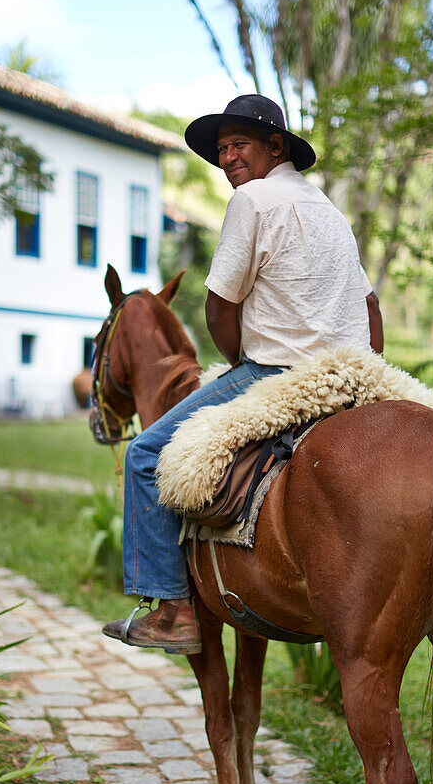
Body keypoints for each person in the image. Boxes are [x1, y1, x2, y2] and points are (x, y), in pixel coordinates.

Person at [103, 94, 383, 654]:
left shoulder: (252, 201)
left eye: (238, 145)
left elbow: (219, 308)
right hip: (349, 374)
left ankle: (172, 610)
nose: (227, 157)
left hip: (275, 372)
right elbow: (371, 310)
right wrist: (365, 373)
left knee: (143, 456)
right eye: (222, 149)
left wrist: (235, 367)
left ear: (274, 146)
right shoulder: (330, 211)